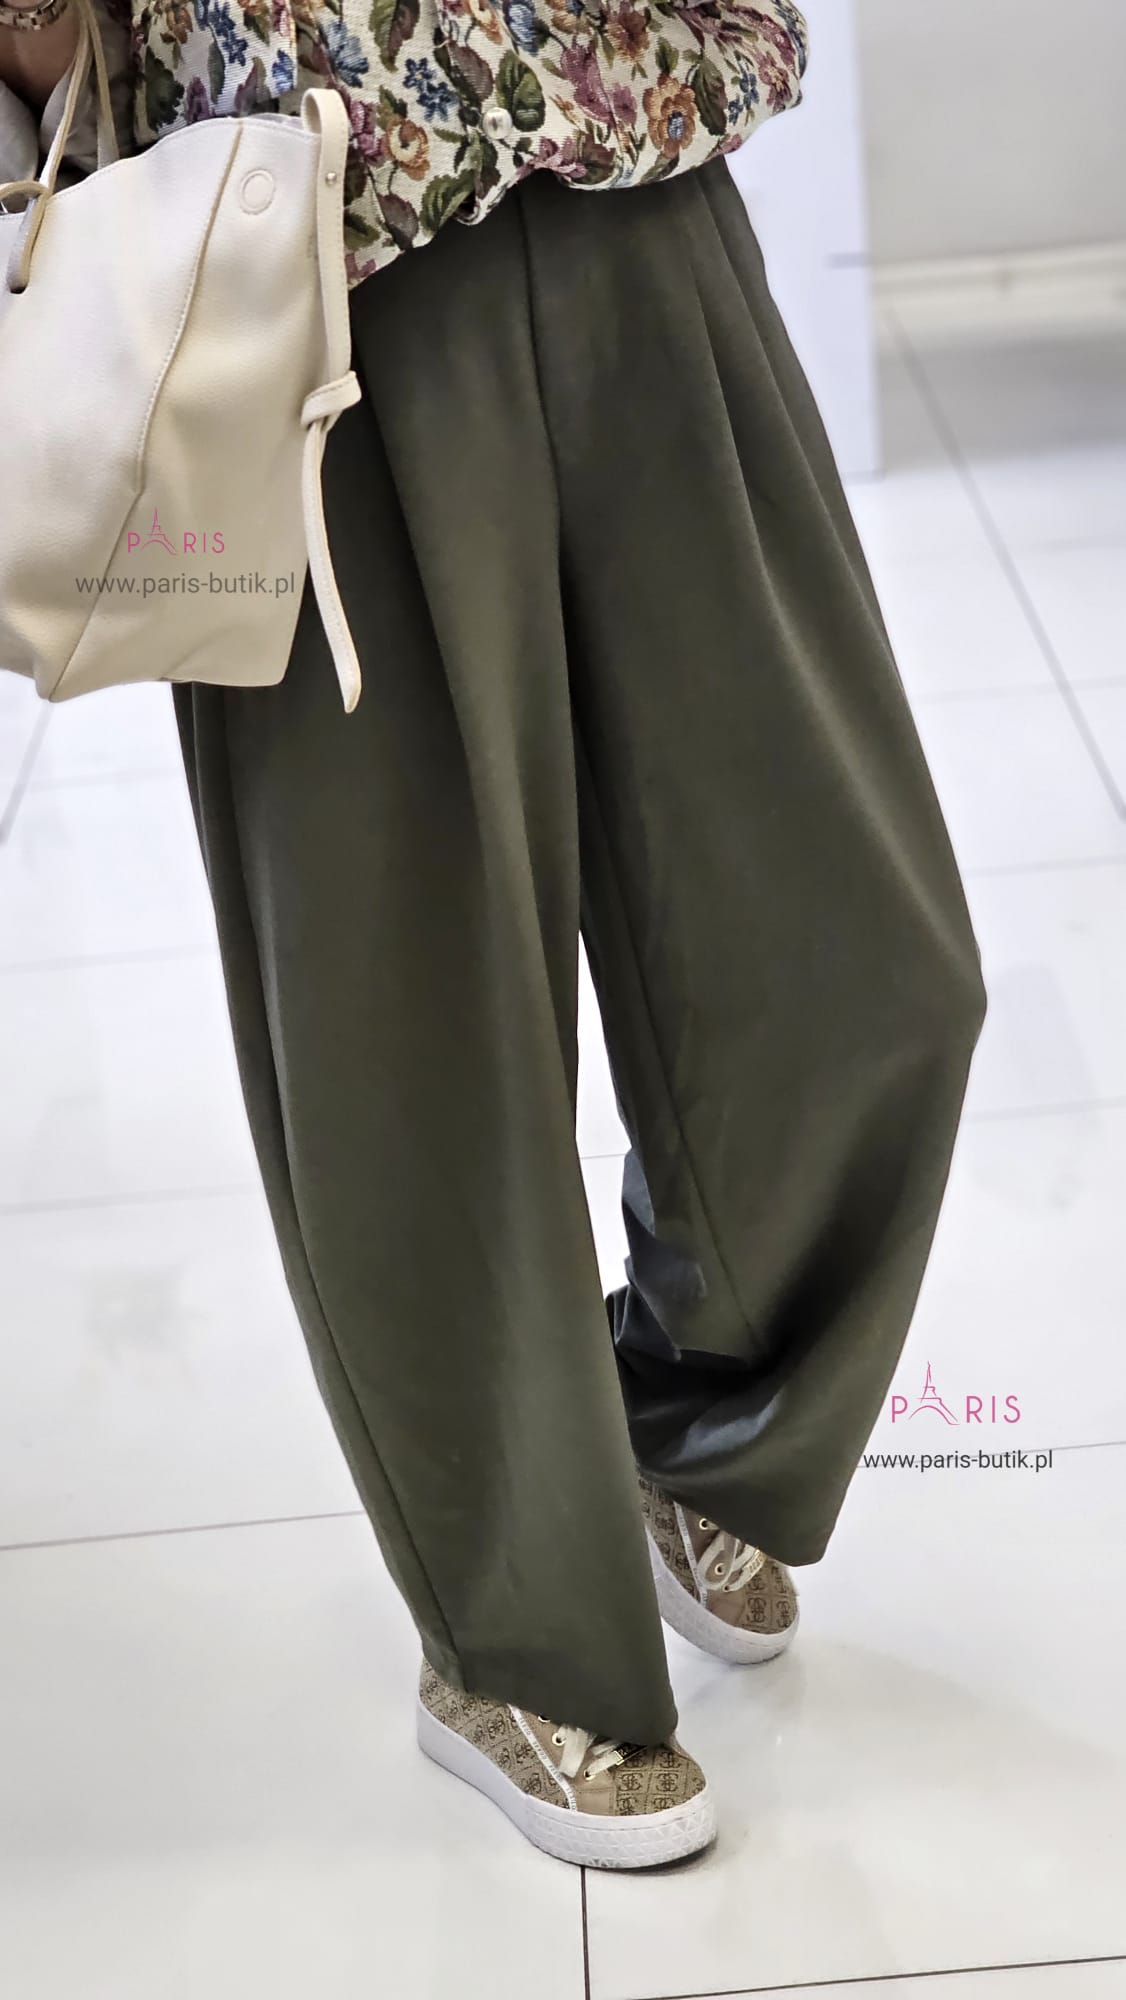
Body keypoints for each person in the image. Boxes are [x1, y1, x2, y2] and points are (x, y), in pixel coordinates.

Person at [1, 0, 987, 1871]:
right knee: (409, 1016)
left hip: (637, 158)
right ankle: (513, 1638)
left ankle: (696, 1427)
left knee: (860, 957)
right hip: (299, 263)